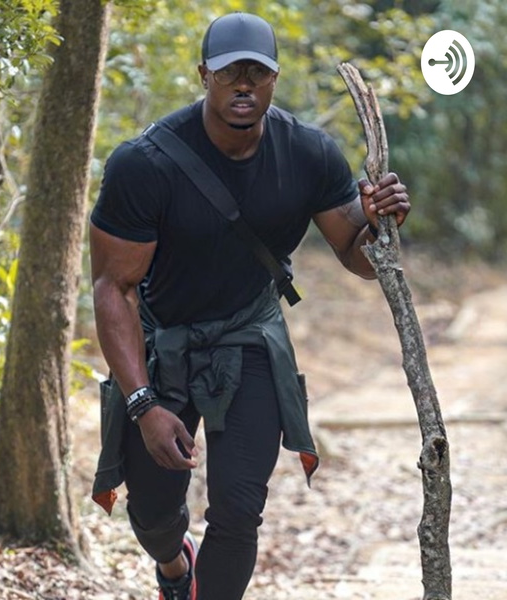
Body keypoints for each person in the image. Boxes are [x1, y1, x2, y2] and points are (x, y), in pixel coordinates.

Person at [89, 11, 410, 600]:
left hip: (250, 338)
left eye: (256, 73)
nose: (243, 84)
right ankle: (174, 567)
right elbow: (114, 288)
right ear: (203, 75)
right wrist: (143, 404)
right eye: (228, 72)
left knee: (239, 510)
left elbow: (359, 257)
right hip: (163, 341)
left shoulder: (309, 154)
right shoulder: (145, 164)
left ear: (274, 79)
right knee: (153, 513)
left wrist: (381, 225)